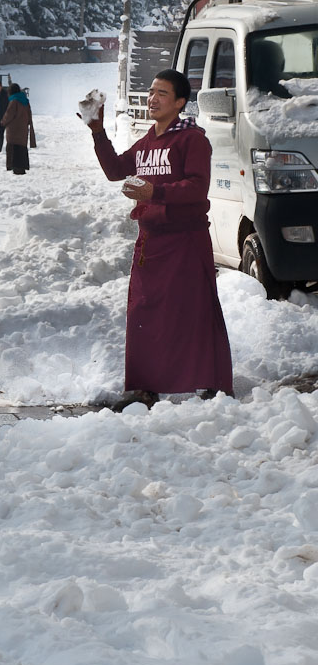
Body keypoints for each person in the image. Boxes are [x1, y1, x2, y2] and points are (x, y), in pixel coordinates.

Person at [84, 68, 233, 409]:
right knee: (144, 311)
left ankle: (209, 381)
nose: (153, 98)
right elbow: (115, 169)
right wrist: (97, 131)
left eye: (162, 93)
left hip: (186, 241)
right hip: (151, 243)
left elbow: (197, 187)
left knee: (194, 311)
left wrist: (156, 191)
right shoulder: (149, 140)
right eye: (151, 92)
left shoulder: (192, 140)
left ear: (180, 102)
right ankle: (143, 386)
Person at [1, 83, 35, 174]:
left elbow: (9, 114)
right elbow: (29, 114)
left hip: (13, 130)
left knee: (13, 148)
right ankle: (22, 168)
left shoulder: (14, 101)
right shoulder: (25, 101)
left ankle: (14, 168)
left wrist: (3, 122)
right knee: (21, 148)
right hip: (23, 130)